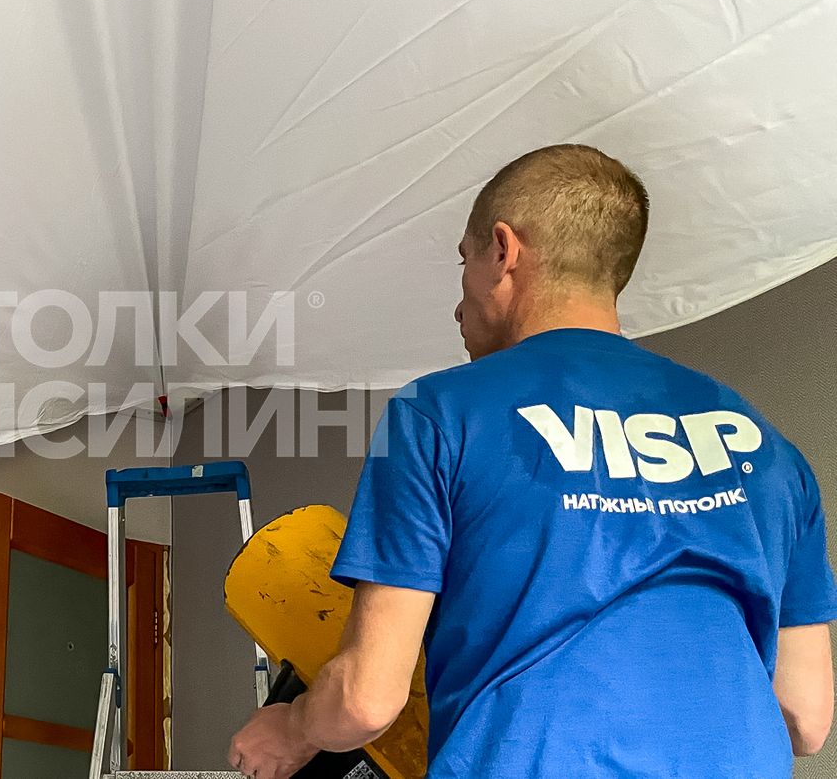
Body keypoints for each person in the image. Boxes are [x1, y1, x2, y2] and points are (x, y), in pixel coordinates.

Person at [229, 144, 837, 778]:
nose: (458, 304)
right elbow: (805, 717)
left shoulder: (440, 412)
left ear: (503, 250)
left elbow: (366, 699)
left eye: (464, 262)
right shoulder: (767, 448)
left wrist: (292, 728)